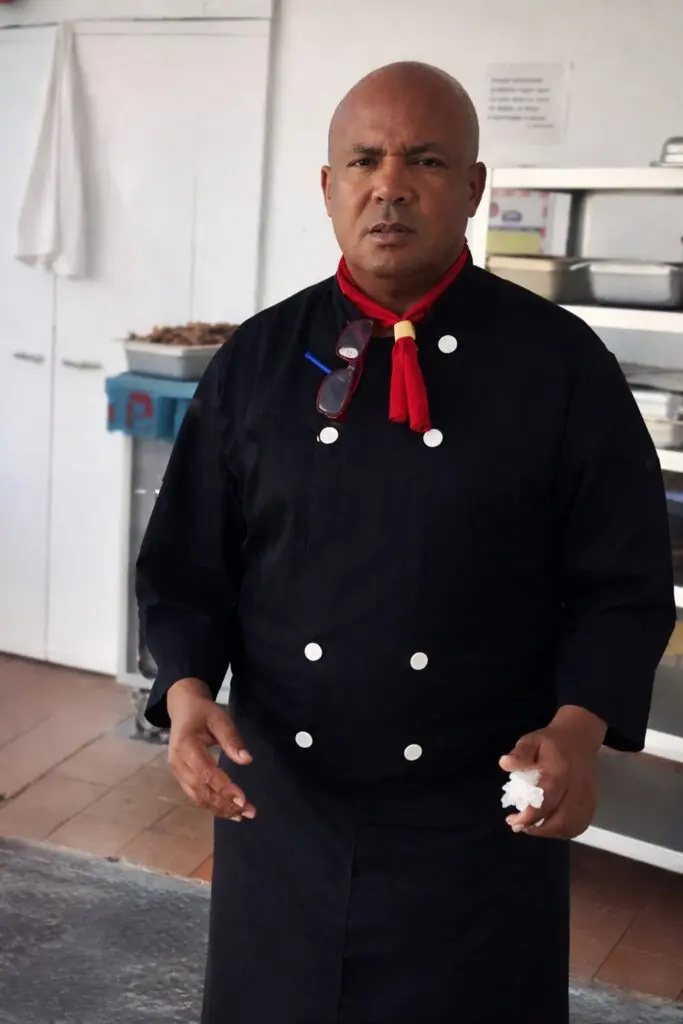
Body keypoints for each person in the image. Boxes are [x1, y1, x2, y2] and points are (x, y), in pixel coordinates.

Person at [136, 62, 675, 1024]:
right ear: (328, 186)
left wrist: (578, 730)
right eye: (363, 161)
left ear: (472, 187)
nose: (389, 185)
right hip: (284, 804)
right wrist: (184, 694)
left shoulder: (558, 364)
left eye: (424, 161)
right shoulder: (257, 358)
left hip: (479, 816)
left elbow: (622, 583)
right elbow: (187, 566)